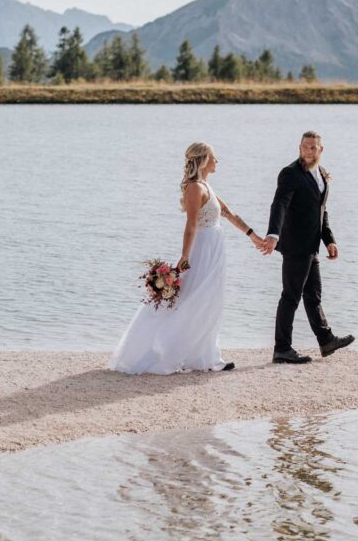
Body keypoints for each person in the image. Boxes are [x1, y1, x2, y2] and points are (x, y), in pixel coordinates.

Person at [109, 142, 263, 375]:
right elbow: (190, 225)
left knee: (210, 301)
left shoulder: (206, 186)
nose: (217, 161)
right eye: (214, 157)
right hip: (201, 249)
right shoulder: (194, 188)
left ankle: (205, 356)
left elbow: (230, 214)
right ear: (203, 160)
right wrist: (184, 256)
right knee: (191, 299)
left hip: (214, 249)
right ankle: (172, 352)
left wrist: (254, 237)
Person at [259, 130, 355, 364]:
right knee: (290, 297)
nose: (308, 151)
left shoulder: (320, 173)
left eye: (313, 147)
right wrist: (273, 234)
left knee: (313, 295)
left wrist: (329, 239)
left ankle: (326, 340)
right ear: (299, 148)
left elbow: (321, 211)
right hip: (295, 245)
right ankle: (282, 349)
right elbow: (279, 204)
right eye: (304, 147)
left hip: (311, 246)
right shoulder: (290, 173)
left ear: (320, 150)